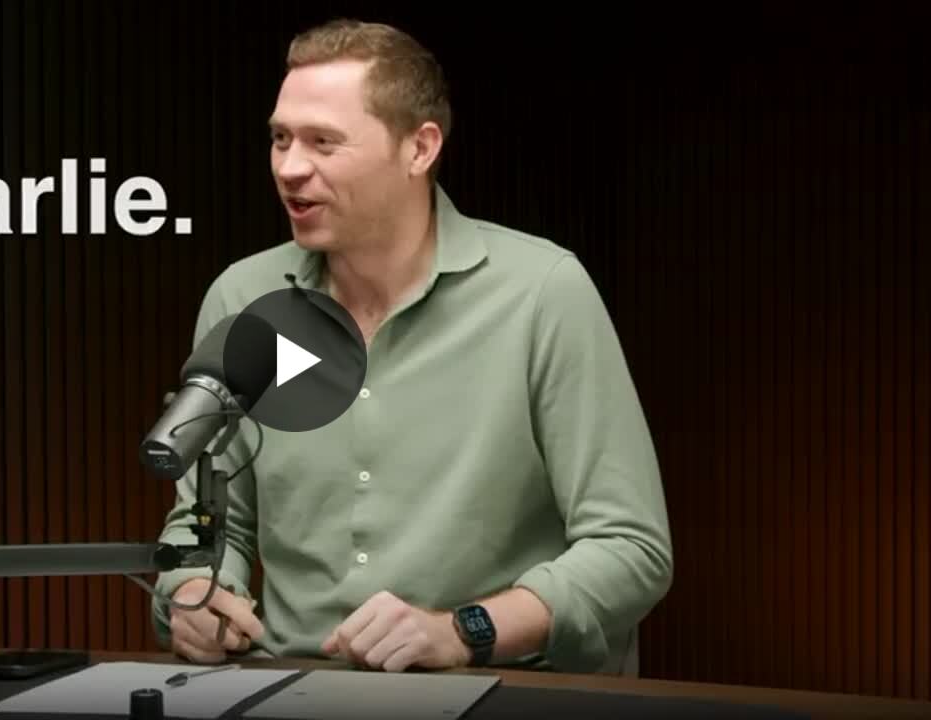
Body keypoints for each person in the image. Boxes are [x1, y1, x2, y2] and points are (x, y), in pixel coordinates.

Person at [150, 18, 672, 676]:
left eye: (323, 141)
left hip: (498, 685)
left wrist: (463, 631)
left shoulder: (543, 293)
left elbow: (631, 549)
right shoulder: (243, 297)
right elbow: (207, 523)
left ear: (420, 148)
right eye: (280, 138)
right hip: (293, 683)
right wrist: (193, 594)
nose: (289, 167)